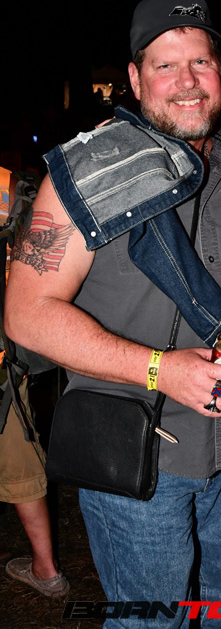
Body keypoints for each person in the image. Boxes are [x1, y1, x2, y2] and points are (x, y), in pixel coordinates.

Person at [4, 0, 221, 628]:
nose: (186, 82)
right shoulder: (84, 173)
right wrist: (160, 370)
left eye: (199, 63)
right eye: (165, 66)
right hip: (138, 455)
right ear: (136, 79)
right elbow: (27, 314)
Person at [0, 167, 70, 598]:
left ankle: (46, 570)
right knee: (20, 463)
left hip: (7, 361)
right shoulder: (11, 186)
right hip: (6, 362)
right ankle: (46, 570)